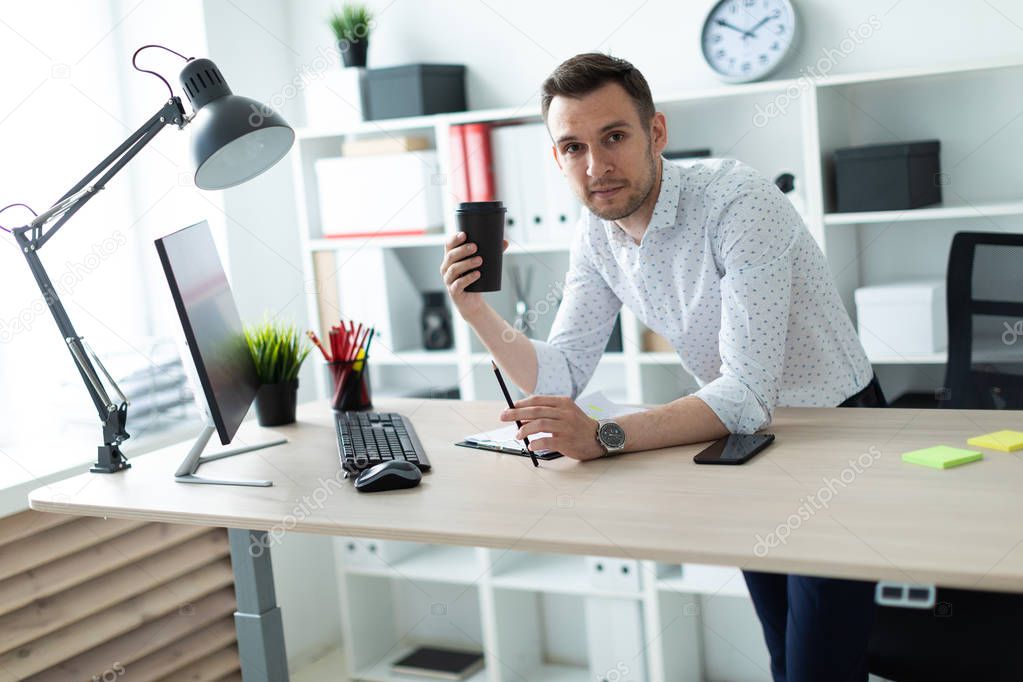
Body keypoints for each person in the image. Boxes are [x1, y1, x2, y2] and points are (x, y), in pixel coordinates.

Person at [439, 52, 885, 681]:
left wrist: (605, 437)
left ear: (656, 133)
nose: (597, 167)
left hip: (834, 430)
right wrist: (477, 312)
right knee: (784, 652)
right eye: (572, 147)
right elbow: (564, 373)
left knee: (823, 667)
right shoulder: (597, 235)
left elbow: (748, 390)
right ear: (557, 157)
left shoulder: (738, 201)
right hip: (743, 438)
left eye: (614, 137)